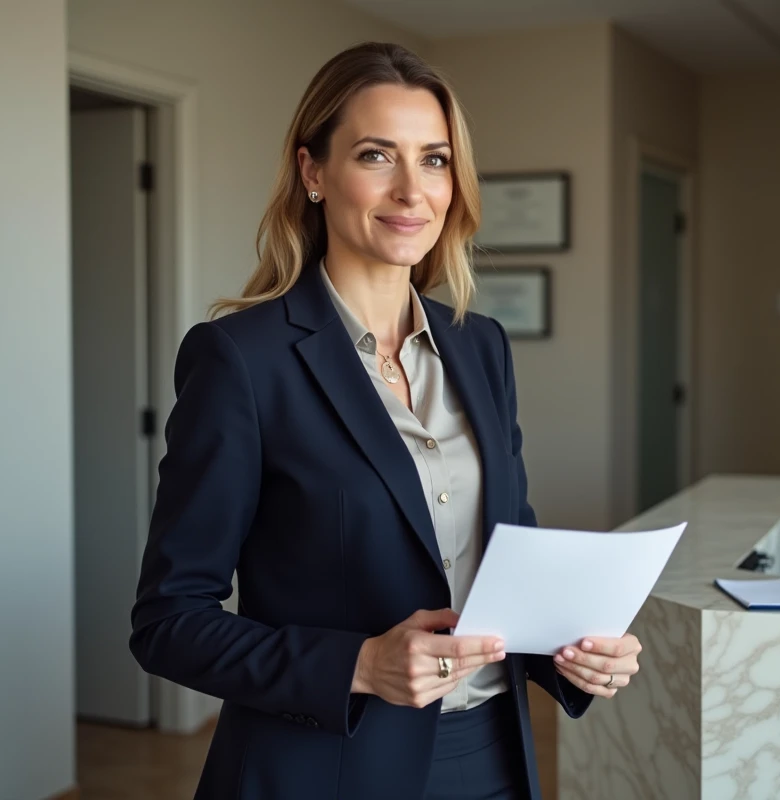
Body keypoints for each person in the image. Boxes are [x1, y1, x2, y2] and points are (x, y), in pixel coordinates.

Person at [129, 41, 642, 800]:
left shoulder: (481, 347)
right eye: (377, 155)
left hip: (493, 760)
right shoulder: (241, 360)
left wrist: (571, 651)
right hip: (323, 771)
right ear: (313, 172)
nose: (412, 191)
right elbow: (168, 621)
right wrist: (359, 665)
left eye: (434, 160)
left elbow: (507, 558)